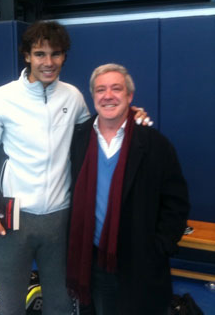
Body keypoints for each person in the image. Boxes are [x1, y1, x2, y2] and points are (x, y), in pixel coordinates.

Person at [0, 22, 150, 315]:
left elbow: (94, 136)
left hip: (61, 220)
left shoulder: (73, 97)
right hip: (13, 221)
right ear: (27, 56)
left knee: (62, 304)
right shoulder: (0, 99)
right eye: (40, 54)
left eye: (56, 54)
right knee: (10, 306)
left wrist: (127, 115)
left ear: (64, 56)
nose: (48, 63)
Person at [67, 63, 189, 315]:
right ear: (93, 97)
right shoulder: (78, 139)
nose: (108, 95)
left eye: (116, 89)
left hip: (142, 261)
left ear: (129, 96)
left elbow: (176, 202)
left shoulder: (155, 144)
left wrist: (160, 246)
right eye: (100, 90)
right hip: (94, 260)